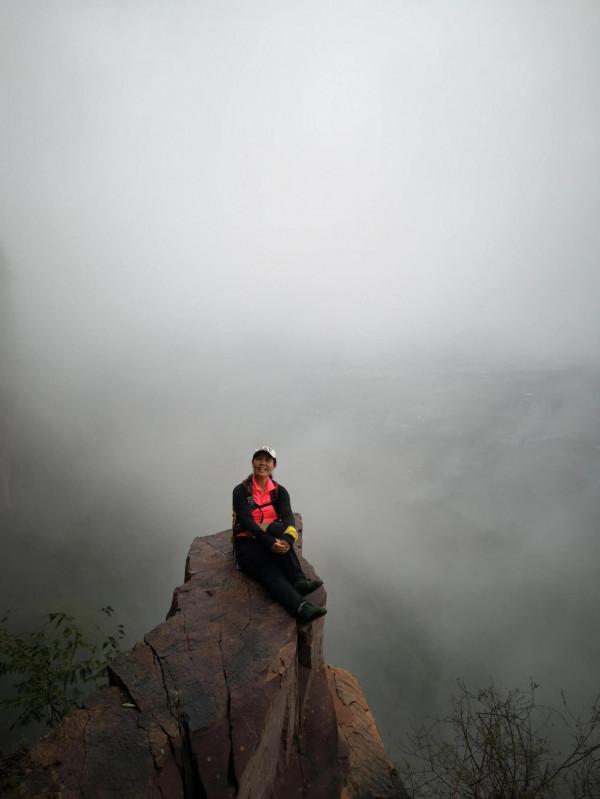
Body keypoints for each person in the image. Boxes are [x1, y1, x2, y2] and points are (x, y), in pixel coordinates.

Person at [232, 445, 327, 624]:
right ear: (252, 462)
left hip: (269, 537)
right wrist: (270, 542)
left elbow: (288, 516)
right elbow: (247, 522)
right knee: (270, 570)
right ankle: (301, 607)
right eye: (259, 459)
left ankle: (299, 581)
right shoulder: (241, 491)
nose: (263, 463)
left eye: (267, 460)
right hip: (247, 543)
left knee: (280, 529)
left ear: (274, 465)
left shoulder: (279, 491)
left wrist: (288, 540)